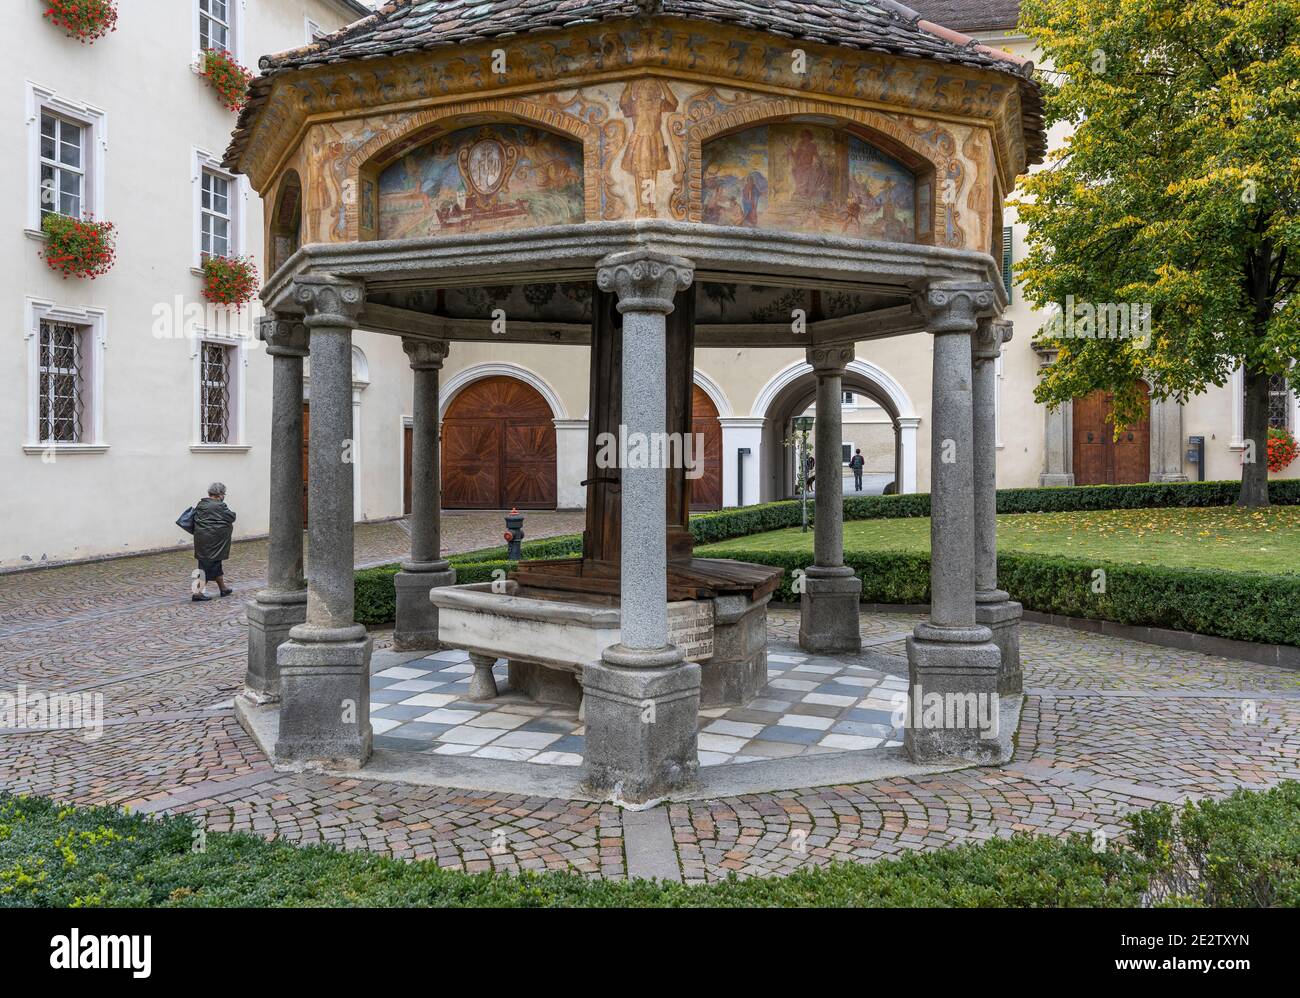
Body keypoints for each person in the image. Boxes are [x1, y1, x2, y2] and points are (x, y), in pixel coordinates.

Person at [192, 482, 236, 602]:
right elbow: (231, 517)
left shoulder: (201, 504)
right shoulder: (220, 506)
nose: (224, 496)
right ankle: (197, 593)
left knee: (214, 564)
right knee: (207, 567)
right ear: (220, 494)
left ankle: (223, 588)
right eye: (223, 494)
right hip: (214, 542)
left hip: (202, 540)